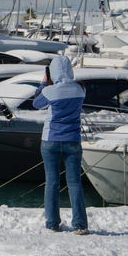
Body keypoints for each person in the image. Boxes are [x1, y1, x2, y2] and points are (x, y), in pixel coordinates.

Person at [33, 55, 88, 235]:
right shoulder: (80, 89)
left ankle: (52, 223)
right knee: (75, 183)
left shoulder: (50, 91)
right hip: (73, 140)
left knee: (52, 183)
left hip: (50, 140)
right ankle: (80, 225)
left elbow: (36, 103)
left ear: (53, 72)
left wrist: (43, 83)